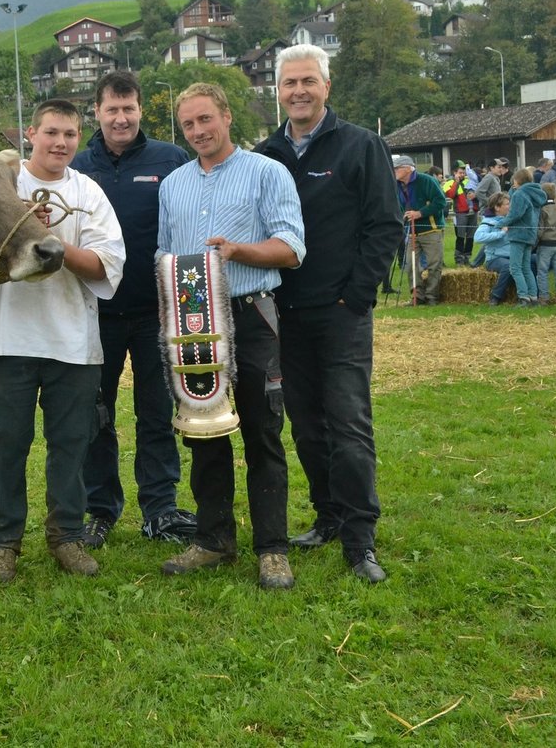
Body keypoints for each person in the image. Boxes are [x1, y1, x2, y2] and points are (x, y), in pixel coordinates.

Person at [255, 43, 399, 584]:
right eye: (289, 83)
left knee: (349, 425)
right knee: (307, 427)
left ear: (326, 87)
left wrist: (356, 296)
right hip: (284, 315)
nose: (298, 91)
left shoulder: (361, 146)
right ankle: (329, 516)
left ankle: (360, 539)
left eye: (308, 81)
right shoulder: (265, 155)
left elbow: (384, 226)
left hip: (341, 314)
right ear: (278, 92)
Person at [157, 82, 305, 591]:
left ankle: (273, 549)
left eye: (205, 120)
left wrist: (237, 252)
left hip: (251, 314)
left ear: (226, 116)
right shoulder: (171, 184)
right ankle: (213, 538)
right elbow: (163, 253)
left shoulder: (268, 172)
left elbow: (291, 248)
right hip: (194, 321)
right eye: (189, 125)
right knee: (203, 430)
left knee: (263, 431)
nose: (198, 131)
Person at [0, 98, 127, 583]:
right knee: (5, 446)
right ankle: (2, 542)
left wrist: (52, 245)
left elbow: (108, 266)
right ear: (30, 134)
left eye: (69, 135)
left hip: (73, 344)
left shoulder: (89, 193)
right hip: (7, 341)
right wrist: (15, 230)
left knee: (71, 446)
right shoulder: (1, 184)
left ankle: (66, 537)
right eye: (51, 133)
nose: (60, 143)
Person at [71, 71, 196, 549]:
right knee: (95, 416)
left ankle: (160, 510)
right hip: (95, 313)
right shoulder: (78, 167)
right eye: (111, 109)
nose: (121, 118)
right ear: (97, 112)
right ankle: (99, 511)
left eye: (129, 108)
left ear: (141, 109)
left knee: (156, 413)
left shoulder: (171, 158)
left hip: (155, 313)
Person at [392, 156, 448, 305]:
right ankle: (417, 296)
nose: (394, 171)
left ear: (409, 168)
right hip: (411, 230)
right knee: (411, 265)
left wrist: (419, 213)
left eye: (397, 168)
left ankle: (431, 296)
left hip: (431, 229)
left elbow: (440, 202)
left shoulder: (427, 180)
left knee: (434, 264)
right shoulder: (396, 184)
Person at [496, 166, 547, 306]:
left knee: (515, 268)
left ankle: (523, 297)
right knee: (526, 267)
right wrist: (514, 189)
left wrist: (501, 223)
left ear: (518, 180)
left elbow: (515, 213)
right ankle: (533, 297)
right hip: (530, 234)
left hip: (518, 234)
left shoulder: (520, 195)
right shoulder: (534, 193)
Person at [474, 193, 517, 305]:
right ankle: (495, 297)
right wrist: (501, 233)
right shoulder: (488, 222)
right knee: (508, 266)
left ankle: (527, 296)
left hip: (511, 255)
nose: (510, 206)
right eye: (507, 204)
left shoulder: (510, 220)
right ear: (497, 207)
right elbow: (478, 237)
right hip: (494, 258)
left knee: (533, 261)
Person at [441, 163, 478, 266]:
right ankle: (459, 259)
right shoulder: (449, 183)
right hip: (460, 214)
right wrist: (456, 182)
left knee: (471, 237)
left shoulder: (468, 181)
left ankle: (467, 257)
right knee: (460, 236)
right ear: (454, 173)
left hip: (473, 212)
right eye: (460, 173)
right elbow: (451, 194)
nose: (462, 175)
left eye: (463, 172)